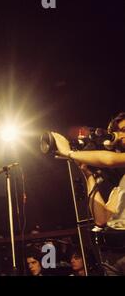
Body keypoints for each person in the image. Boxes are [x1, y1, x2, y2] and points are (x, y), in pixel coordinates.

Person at [52, 112, 125, 275]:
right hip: (114, 257)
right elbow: (101, 219)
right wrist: (88, 175)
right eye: (118, 132)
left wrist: (69, 152)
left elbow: (109, 160)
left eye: (124, 130)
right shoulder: (121, 185)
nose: (119, 136)